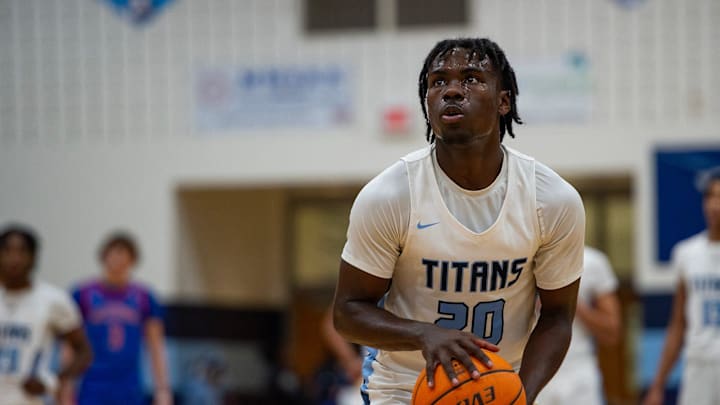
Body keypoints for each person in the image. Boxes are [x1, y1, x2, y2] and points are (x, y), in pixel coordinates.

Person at [332, 37, 585, 405]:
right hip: (404, 389)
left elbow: (558, 316)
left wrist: (518, 397)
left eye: (471, 79)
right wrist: (424, 335)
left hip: (498, 385)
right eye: (438, 82)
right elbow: (347, 313)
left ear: (504, 101)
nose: (451, 90)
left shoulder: (550, 200)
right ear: (427, 103)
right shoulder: (389, 196)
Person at [643, 167, 720, 405]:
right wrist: (658, 384)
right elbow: (678, 323)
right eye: (710, 196)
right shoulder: (686, 253)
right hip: (699, 365)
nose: (715, 205)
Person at [72, 232, 172, 405]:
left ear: (132, 260)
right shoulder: (82, 293)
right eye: (113, 253)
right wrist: (66, 386)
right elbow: (70, 345)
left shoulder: (144, 296)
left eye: (123, 254)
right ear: (103, 256)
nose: (117, 259)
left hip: (129, 385)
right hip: (92, 384)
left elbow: (156, 346)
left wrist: (162, 389)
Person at [0, 225, 93, 405]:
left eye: (21, 251)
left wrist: (52, 381)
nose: (14, 259)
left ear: (34, 258)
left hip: (26, 399)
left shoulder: (53, 300)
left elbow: (84, 351)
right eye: (7, 251)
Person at [536, 246, 621, 405]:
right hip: (530, 369)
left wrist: (569, 301)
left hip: (578, 373)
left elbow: (612, 332)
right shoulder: (521, 257)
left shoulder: (592, 261)